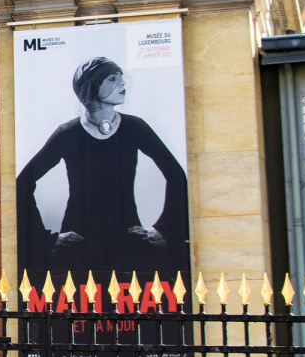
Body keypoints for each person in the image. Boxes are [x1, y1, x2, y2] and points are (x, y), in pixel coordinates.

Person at [16, 56, 190, 293]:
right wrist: (47, 239)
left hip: (128, 239)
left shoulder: (135, 127)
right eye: (112, 78)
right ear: (92, 85)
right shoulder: (68, 133)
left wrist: (164, 228)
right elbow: (23, 183)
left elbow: (176, 174)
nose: (122, 83)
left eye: (121, 78)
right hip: (79, 243)